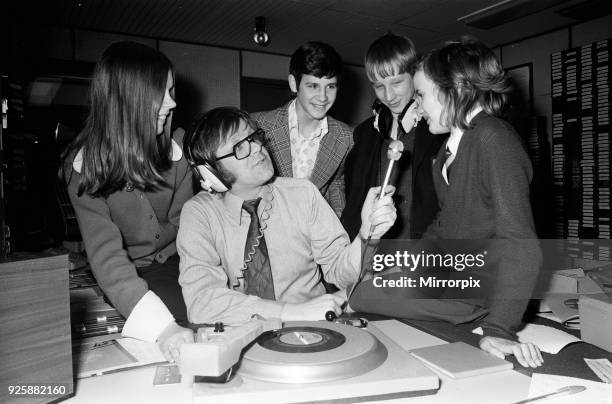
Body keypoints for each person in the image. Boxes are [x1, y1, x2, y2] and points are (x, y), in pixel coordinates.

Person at [351, 38, 543, 368]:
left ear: (454, 90)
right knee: (370, 288)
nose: (418, 106)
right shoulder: (450, 149)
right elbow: (444, 229)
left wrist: (500, 328)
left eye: (422, 95)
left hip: (477, 294)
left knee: (359, 297)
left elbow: (522, 244)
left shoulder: (493, 138)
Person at [177, 107, 396, 324]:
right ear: (210, 173)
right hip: (241, 333)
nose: (257, 149)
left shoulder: (303, 193)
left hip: (315, 327)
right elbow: (202, 302)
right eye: (239, 146)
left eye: (254, 137)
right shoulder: (198, 214)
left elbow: (341, 274)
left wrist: (367, 235)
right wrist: (291, 312)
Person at [61, 41, 194, 363]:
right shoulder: (82, 168)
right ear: (125, 99)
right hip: (131, 273)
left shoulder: (179, 149)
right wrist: (163, 329)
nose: (171, 103)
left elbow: (191, 230)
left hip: (181, 261)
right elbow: (107, 258)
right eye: (160, 93)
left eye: (172, 90)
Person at [341, 33, 447, 240]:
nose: (388, 96)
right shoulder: (364, 134)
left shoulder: (440, 130)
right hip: (375, 257)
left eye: (396, 83)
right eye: (378, 86)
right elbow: (354, 203)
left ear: (414, 76)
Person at [252, 41, 352, 217]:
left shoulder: (345, 137)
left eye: (330, 86)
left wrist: (340, 230)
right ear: (293, 83)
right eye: (313, 86)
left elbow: (336, 183)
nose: (323, 97)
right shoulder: (257, 126)